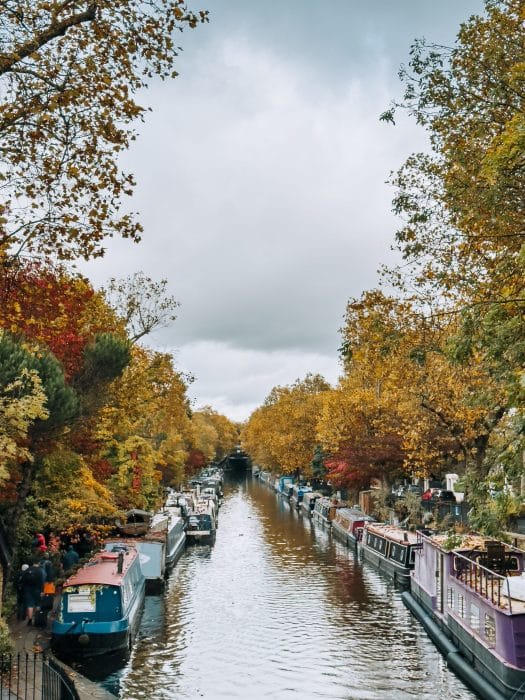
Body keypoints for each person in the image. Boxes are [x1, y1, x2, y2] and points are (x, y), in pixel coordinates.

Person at [22, 558, 45, 625]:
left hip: (28, 590)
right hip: (37, 589)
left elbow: (23, 581)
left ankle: (30, 620)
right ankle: (37, 619)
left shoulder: (27, 570)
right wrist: (42, 591)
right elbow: (42, 581)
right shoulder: (40, 571)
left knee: (30, 604)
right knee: (38, 604)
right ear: (38, 563)